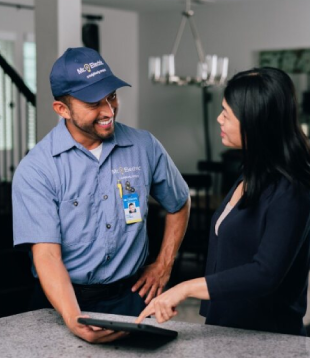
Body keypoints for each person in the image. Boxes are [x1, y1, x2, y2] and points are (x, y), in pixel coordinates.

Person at [12, 47, 190, 343]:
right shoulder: (37, 169)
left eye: (112, 96)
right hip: (62, 303)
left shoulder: (144, 146)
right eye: (94, 103)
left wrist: (164, 264)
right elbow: (47, 255)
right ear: (62, 109)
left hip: (131, 298)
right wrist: (74, 318)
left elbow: (179, 202)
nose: (108, 110)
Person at [136, 67, 310, 336]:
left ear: (255, 122)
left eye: (227, 114)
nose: (219, 119)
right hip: (226, 328)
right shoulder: (250, 173)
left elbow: (265, 273)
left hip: (267, 338)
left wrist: (184, 288)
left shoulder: (293, 189)